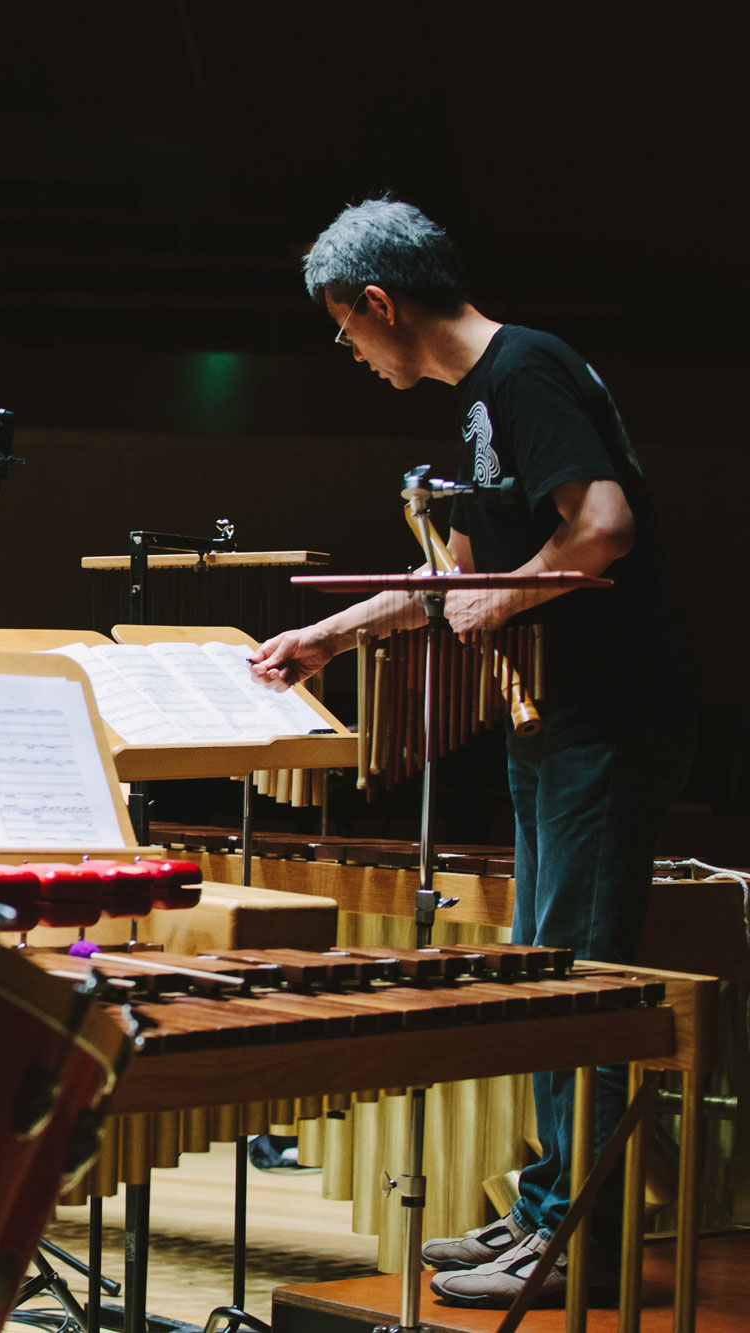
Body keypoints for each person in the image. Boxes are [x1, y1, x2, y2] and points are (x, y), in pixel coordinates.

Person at [248, 199, 692, 1308]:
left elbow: (599, 525)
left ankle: (570, 1239)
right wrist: (324, 637)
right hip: (553, 727)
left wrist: (496, 599)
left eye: (343, 330)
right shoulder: (479, 404)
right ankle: (547, 1210)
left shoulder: (526, 372)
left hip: (604, 719)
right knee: (548, 969)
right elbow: (443, 583)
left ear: (378, 304)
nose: (348, 352)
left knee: (577, 979)